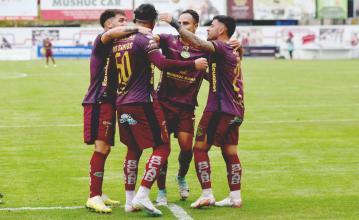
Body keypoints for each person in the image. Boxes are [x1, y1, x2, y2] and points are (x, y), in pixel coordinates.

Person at [108, 4, 208, 216]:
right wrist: (192, 65)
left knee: (133, 150)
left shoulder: (119, 41)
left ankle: (129, 201)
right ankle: (144, 194)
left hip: (122, 102)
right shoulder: (146, 40)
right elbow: (161, 63)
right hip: (143, 101)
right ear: (153, 21)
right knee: (162, 147)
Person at [161, 14, 244, 208]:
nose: (208, 29)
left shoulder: (221, 47)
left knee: (199, 149)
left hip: (219, 108)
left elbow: (199, 43)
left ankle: (207, 193)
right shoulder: (231, 50)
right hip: (236, 109)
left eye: (212, 26)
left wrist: (174, 24)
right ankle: (235, 197)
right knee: (230, 151)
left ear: (221, 30)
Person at [82, 9, 151, 213]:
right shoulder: (103, 39)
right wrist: (139, 27)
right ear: (109, 24)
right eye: (122, 20)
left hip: (112, 102)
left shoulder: (121, 45)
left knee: (106, 149)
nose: (126, 23)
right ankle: (93, 196)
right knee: (101, 148)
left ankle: (98, 192)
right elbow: (111, 35)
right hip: (98, 101)